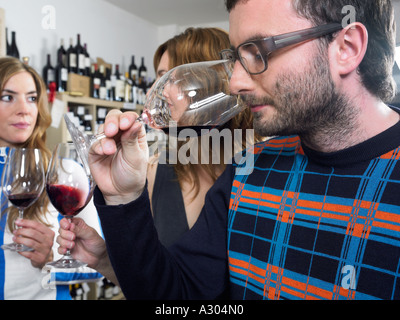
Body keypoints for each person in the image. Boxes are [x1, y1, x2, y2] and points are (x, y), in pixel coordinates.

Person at [58, 0, 400, 300]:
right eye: (236, 57)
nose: (235, 82)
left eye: (259, 51)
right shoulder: (249, 169)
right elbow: (177, 296)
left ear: (346, 48)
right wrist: (123, 198)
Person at [0, 56, 102, 300]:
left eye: (32, 98)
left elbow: (100, 267)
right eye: (7, 97)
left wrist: (51, 259)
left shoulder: (65, 173)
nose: (24, 108)